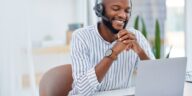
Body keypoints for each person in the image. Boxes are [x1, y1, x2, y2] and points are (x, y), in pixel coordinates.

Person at [69, 0, 155, 95]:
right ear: (100, 10)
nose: (123, 15)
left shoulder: (136, 37)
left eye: (127, 11)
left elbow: (155, 78)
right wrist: (113, 52)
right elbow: (82, 90)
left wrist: (140, 52)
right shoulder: (81, 37)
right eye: (116, 8)